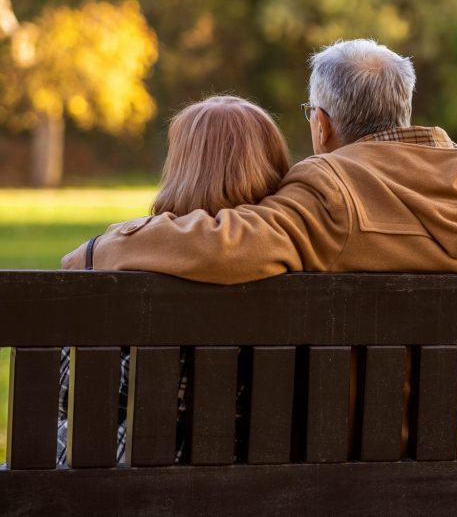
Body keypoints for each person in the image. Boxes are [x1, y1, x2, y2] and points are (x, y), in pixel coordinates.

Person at [62, 38, 457, 284]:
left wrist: (98, 249)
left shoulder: (334, 188)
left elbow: (221, 245)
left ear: (322, 126)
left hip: (361, 451)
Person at [57, 95, 291, 465]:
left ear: (181, 167)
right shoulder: (295, 261)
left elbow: (68, 396)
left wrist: (94, 252)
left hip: (117, 471)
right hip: (257, 474)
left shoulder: (117, 261)